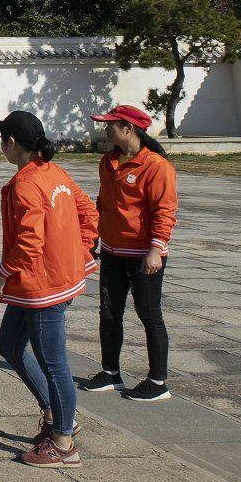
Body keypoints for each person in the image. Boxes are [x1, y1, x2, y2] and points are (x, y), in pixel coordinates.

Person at [0, 109, 99, 467]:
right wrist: (78, 250)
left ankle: (64, 444)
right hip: (40, 280)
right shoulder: (54, 173)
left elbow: (31, 239)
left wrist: (1, 271)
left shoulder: (27, 183)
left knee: (54, 364)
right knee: (10, 345)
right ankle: (54, 412)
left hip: (42, 284)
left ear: (12, 143)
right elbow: (89, 214)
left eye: (2, 139)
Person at [79, 104, 178, 403]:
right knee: (109, 313)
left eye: (110, 124)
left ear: (128, 129)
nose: (105, 129)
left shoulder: (156, 166)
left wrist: (156, 249)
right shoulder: (108, 162)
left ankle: (158, 380)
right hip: (112, 251)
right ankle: (111, 372)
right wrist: (94, 236)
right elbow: (102, 202)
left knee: (149, 315)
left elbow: (165, 211)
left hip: (143, 254)